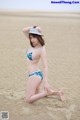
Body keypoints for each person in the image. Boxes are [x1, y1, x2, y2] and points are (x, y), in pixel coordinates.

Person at [23, 26, 65, 103]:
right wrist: (34, 28)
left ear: (39, 37)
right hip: (36, 74)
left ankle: (47, 92)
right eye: (31, 37)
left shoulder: (41, 49)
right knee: (38, 94)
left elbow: (45, 66)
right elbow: (24, 30)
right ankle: (57, 93)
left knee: (28, 99)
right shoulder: (33, 44)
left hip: (34, 75)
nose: (32, 40)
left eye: (34, 37)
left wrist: (45, 82)